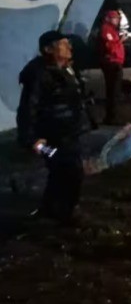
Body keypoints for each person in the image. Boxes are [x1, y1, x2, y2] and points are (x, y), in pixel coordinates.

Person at [24, 31, 94, 226]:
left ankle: (49, 209)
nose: (69, 47)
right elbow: (29, 107)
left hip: (69, 134)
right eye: (64, 44)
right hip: (51, 138)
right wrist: (32, 139)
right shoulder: (40, 75)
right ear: (48, 49)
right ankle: (67, 212)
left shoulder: (65, 70)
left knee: (59, 172)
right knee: (72, 171)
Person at [98, 10, 127, 125]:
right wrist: (120, 40)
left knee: (114, 91)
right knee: (113, 92)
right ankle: (112, 118)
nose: (117, 20)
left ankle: (113, 117)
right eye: (115, 18)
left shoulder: (111, 31)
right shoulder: (106, 30)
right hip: (112, 63)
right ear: (109, 19)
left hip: (115, 62)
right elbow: (110, 47)